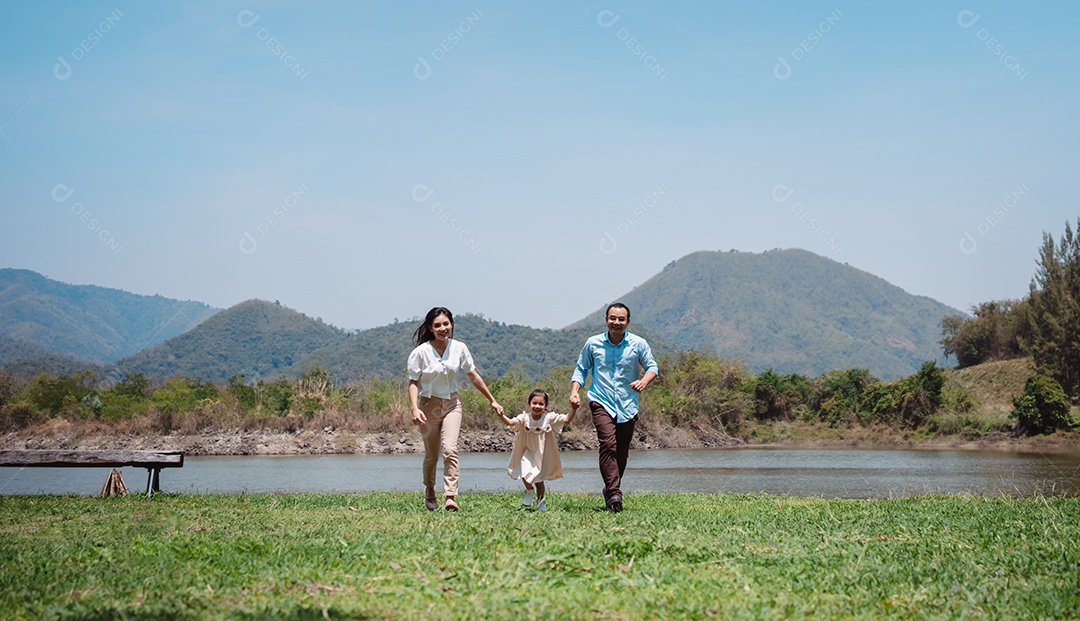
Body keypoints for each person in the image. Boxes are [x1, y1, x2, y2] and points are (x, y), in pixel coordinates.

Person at [407, 307, 504, 511]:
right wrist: (415, 408)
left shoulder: (459, 348)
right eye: (437, 325)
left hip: (452, 404)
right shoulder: (420, 353)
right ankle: (430, 489)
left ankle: (450, 496)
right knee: (432, 456)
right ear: (430, 328)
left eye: (446, 324)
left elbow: (473, 375)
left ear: (451, 324)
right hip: (428, 406)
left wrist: (492, 400)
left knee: (450, 449)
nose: (443, 328)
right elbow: (413, 382)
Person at [570, 302, 658, 512]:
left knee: (622, 451)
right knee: (608, 445)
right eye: (612, 318)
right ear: (606, 319)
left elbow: (652, 366)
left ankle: (611, 488)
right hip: (601, 400)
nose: (616, 323)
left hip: (628, 404)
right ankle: (614, 493)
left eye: (621, 319)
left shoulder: (638, 344)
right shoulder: (593, 343)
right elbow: (581, 369)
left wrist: (644, 381)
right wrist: (574, 391)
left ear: (627, 321)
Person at [500, 389, 578, 512]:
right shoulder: (524, 418)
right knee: (524, 471)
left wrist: (573, 408)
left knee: (539, 481)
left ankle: (541, 502)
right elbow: (510, 422)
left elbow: (567, 419)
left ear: (545, 406)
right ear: (529, 403)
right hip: (527, 449)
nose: (537, 406)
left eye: (541, 404)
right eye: (534, 403)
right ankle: (530, 492)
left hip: (541, 454)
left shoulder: (549, 417)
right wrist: (500, 414)